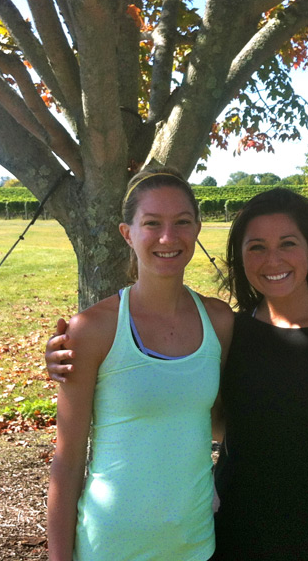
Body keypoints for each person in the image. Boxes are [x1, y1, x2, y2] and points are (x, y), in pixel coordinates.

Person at [47, 188, 308, 561]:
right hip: (232, 532)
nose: (272, 259)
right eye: (256, 247)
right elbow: (210, 416)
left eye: (287, 243)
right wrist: (71, 356)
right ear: (240, 258)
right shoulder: (233, 330)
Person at [46, 167, 233, 561]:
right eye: (152, 223)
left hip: (195, 545)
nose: (169, 237)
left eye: (182, 222)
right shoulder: (92, 330)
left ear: (197, 228)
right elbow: (67, 462)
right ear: (127, 233)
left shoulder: (219, 321)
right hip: (110, 546)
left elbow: (217, 423)